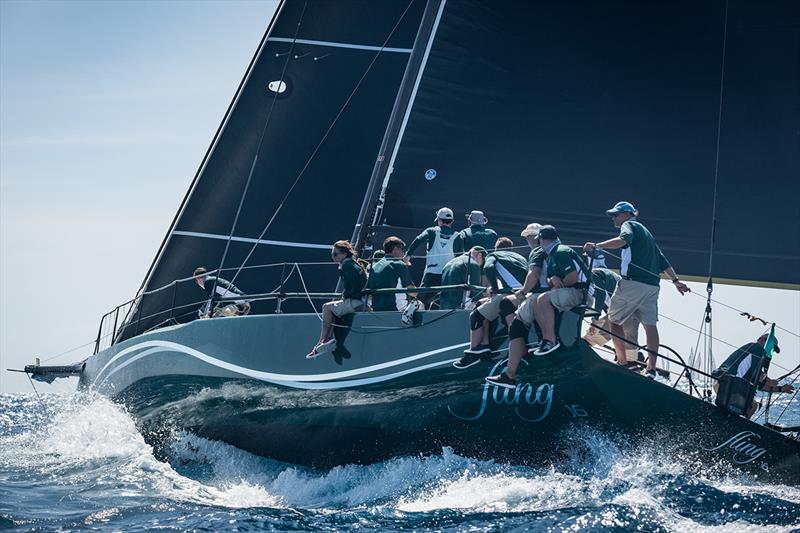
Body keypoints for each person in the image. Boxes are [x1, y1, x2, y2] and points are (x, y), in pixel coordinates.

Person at [583, 201, 690, 375]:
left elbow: (622, 240)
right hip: (653, 287)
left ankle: (623, 362)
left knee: (615, 321)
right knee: (650, 326)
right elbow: (663, 261)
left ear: (627, 214)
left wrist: (597, 245)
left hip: (633, 283)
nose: (613, 219)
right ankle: (651, 368)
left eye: (616, 215)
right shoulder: (648, 235)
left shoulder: (629, 225)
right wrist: (676, 281)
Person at [485, 225, 587, 389]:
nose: (531, 241)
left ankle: (548, 341)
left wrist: (524, 291)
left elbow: (570, 278)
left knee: (540, 300)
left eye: (534, 238)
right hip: (557, 292)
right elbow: (551, 279)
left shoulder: (557, 251)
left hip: (572, 292)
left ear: (541, 239)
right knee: (519, 323)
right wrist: (552, 281)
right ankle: (510, 373)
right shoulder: (550, 252)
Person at [454, 238, 527, 369]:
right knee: (481, 304)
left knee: (475, 315)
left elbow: (488, 267)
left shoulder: (494, 255)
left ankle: (474, 352)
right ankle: (485, 344)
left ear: (495, 248)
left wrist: (494, 287)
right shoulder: (519, 256)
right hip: (525, 294)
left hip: (510, 294)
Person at [307, 240, 367, 358]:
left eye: (335, 254)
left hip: (358, 302)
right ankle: (328, 340)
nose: (333, 257)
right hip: (362, 300)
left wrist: (345, 297)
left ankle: (322, 340)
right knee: (333, 307)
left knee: (326, 307)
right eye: (332, 254)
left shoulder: (346, 265)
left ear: (344, 254)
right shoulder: (353, 263)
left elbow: (356, 288)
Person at [712, 334, 794, 418]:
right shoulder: (757, 349)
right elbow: (759, 378)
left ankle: (734, 424)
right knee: (751, 406)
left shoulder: (752, 353)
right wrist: (771, 382)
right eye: (770, 346)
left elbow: (760, 385)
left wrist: (781, 389)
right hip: (728, 385)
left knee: (753, 404)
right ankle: (739, 426)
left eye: (772, 349)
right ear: (760, 339)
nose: (770, 350)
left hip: (722, 383)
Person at [404, 207, 464, 308]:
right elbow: (460, 258)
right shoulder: (458, 236)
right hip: (447, 276)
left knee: (419, 301)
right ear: (452, 221)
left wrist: (408, 255)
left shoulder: (432, 231)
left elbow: (418, 240)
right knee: (442, 303)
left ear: (439, 220)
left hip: (431, 274)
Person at [582, 264, 641, 363]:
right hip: (635, 307)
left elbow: (600, 295)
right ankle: (633, 364)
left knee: (588, 340)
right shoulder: (599, 275)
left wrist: (595, 320)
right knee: (629, 343)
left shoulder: (593, 274)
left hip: (625, 308)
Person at [366, 236, 422, 322]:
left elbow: (368, 294)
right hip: (395, 310)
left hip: (377, 312)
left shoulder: (374, 266)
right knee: (420, 305)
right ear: (395, 249)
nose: (404, 253)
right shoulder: (399, 264)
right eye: (402, 249)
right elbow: (413, 292)